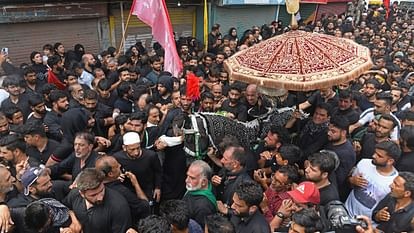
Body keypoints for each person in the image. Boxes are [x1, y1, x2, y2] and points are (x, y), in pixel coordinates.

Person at [63, 168, 132, 233]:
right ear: (82, 194)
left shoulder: (119, 207)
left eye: (101, 190)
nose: (100, 198)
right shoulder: (74, 194)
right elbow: (66, 208)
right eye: (93, 195)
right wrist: (74, 220)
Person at [345, 140, 401, 219]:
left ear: (390, 161)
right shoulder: (364, 163)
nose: (374, 156)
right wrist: (351, 180)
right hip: (346, 212)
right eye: (375, 152)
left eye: (379, 156)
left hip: (367, 224)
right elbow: (348, 181)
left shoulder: (395, 182)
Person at [95, 156, 150, 223]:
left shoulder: (94, 188)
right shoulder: (122, 192)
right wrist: (136, 184)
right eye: (117, 166)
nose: (120, 165)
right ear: (110, 174)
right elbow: (144, 207)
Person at [113, 131, 162, 202]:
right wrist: (117, 176)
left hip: (147, 189)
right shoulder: (117, 157)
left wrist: (158, 188)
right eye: (132, 149)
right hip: (128, 191)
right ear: (124, 148)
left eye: (138, 148)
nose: (136, 152)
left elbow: (158, 172)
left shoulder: (151, 156)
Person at [182, 160, 217, 227]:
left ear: (203, 182)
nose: (186, 180)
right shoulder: (198, 188)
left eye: (192, 178)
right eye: (187, 176)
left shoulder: (203, 207)